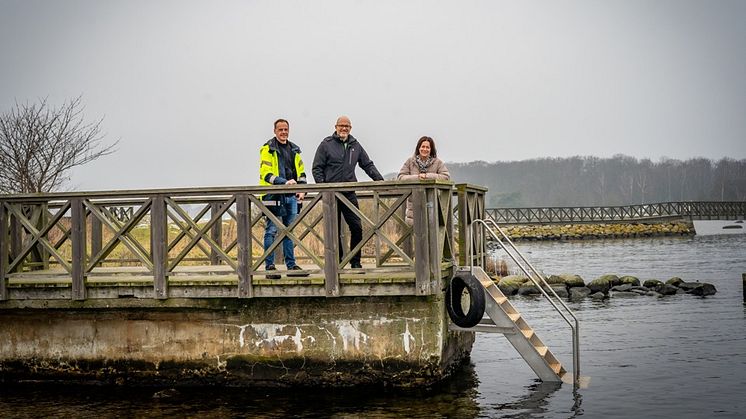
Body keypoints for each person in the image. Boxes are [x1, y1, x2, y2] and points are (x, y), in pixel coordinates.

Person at [312, 116, 383, 269]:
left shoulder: (355, 145)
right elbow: (316, 168)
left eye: (347, 126)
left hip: (349, 193)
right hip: (331, 195)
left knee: (357, 227)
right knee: (333, 229)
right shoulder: (326, 144)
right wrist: (324, 187)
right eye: (341, 126)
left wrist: (380, 181)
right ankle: (338, 262)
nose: (344, 128)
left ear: (350, 128)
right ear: (335, 127)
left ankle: (355, 260)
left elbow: (367, 164)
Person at [259, 118, 309, 279]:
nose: (283, 132)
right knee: (271, 231)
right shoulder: (267, 149)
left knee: (290, 231)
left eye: (286, 129)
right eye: (280, 129)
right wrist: (284, 182)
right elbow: (266, 174)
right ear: (275, 131)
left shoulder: (295, 149)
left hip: (291, 196)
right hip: (272, 194)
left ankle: (291, 266)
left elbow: (301, 173)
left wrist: (302, 190)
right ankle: (270, 267)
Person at [397, 136, 450, 225]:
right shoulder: (410, 161)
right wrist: (417, 177)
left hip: (431, 202)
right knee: (414, 234)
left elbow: (446, 177)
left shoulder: (438, 163)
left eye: (427, 147)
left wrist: (427, 176)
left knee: (431, 232)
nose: (425, 149)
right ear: (418, 148)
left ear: (431, 149)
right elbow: (401, 177)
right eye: (423, 146)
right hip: (413, 203)